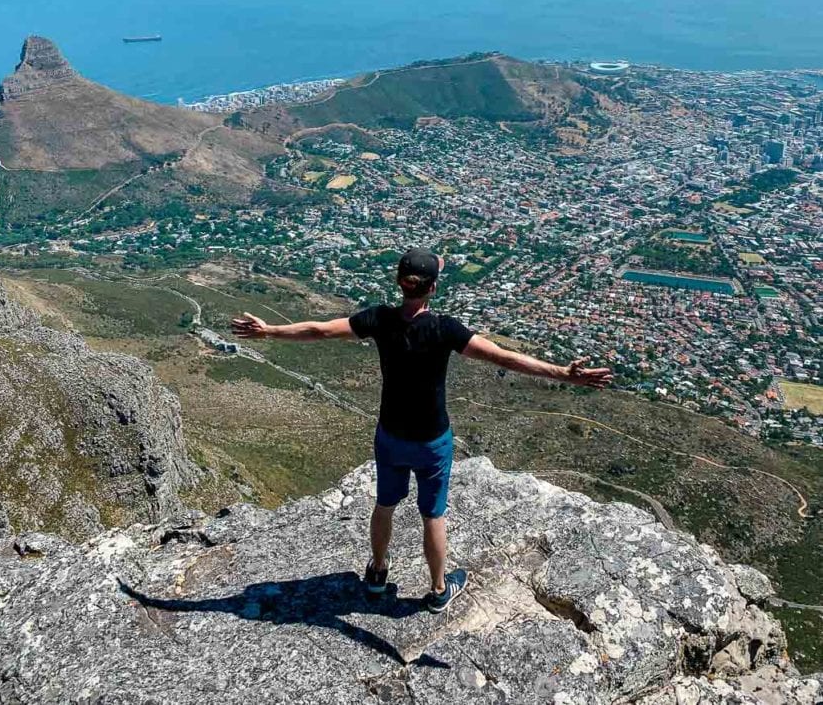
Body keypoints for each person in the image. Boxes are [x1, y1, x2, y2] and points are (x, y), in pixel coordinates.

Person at [231, 248, 613, 614]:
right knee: (433, 514)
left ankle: (378, 571)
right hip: (432, 440)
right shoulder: (445, 330)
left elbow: (319, 330)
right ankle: (437, 590)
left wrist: (269, 332)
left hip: (391, 436)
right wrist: (563, 374)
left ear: (400, 283)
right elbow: (505, 358)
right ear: (432, 288)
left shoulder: (379, 319)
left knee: (385, 504)